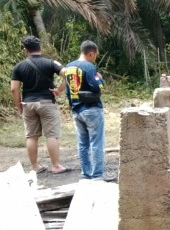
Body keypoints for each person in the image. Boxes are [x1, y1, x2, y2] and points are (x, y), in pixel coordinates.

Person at [9, 36, 67, 174]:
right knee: (52, 135)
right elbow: (68, 75)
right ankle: (55, 166)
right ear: (40, 48)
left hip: (28, 104)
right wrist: (59, 89)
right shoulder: (50, 63)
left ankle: (35, 167)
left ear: (25, 50)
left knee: (31, 136)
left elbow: (14, 88)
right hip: (47, 103)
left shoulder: (19, 66)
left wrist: (19, 106)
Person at [64, 40, 106, 179]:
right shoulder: (88, 67)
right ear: (90, 53)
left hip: (76, 109)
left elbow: (67, 90)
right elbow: (96, 87)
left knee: (82, 143)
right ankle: (97, 175)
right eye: (94, 56)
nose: (94, 59)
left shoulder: (69, 67)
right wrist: (100, 80)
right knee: (96, 142)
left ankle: (86, 173)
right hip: (92, 109)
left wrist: (72, 105)